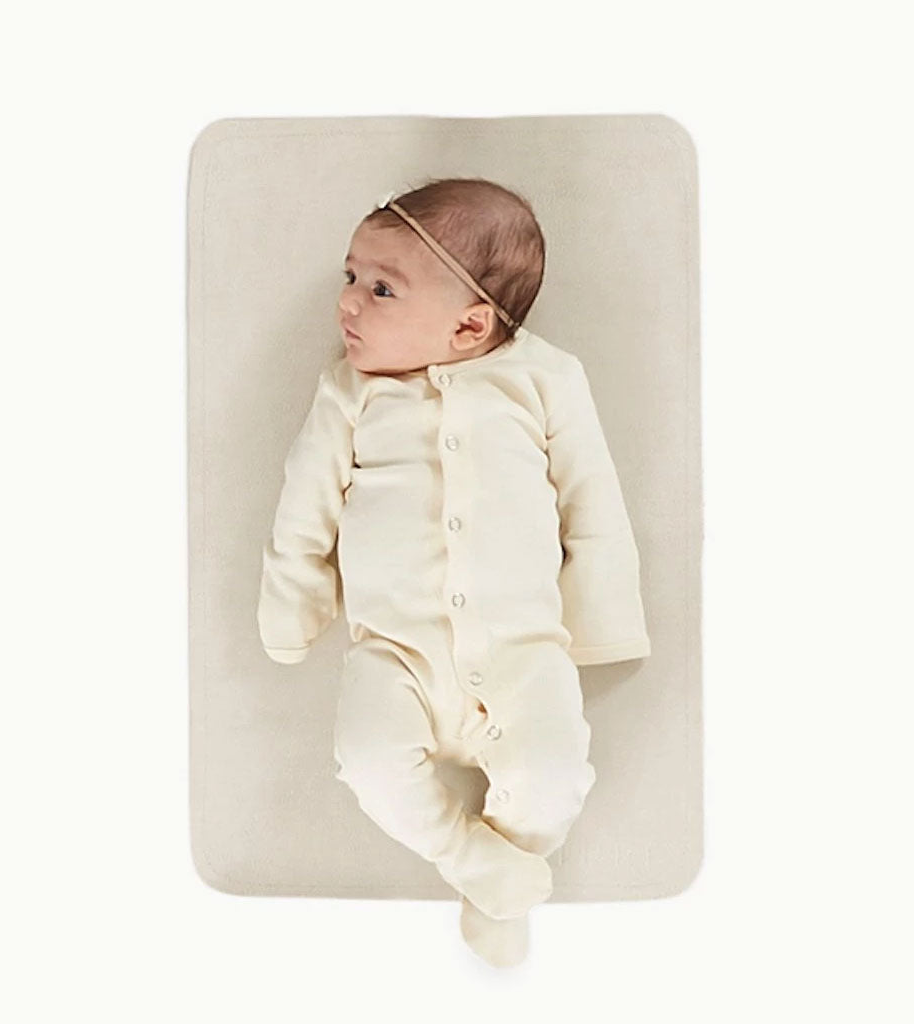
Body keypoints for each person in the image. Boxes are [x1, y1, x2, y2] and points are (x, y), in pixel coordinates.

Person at [257, 177, 651, 967]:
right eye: (350, 276)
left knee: (555, 777)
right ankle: (473, 861)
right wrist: (292, 604)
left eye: (381, 289)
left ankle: (502, 875)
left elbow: (592, 501)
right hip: (394, 651)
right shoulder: (349, 391)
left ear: (470, 324)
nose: (347, 302)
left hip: (522, 647)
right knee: (369, 765)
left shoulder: (545, 378)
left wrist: (602, 625)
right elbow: (305, 501)